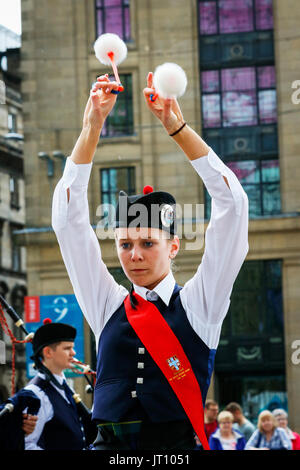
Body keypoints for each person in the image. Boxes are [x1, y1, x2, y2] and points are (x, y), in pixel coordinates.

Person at [51, 71, 248, 450]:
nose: (135, 255)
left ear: (173, 246)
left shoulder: (199, 305)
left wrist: (177, 128)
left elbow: (233, 205)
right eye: (124, 245)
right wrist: (92, 126)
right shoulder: (107, 303)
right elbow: (68, 219)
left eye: (147, 242)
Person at [24, 319, 93, 450]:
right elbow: (27, 445)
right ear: (48, 352)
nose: (73, 353)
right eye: (67, 348)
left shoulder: (63, 386)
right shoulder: (35, 394)